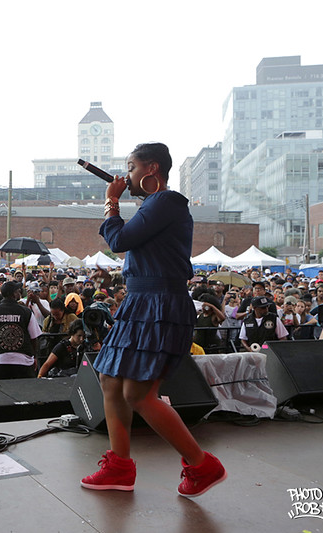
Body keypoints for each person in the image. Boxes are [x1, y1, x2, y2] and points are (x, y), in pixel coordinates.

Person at [80, 143, 226, 498]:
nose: (125, 175)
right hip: (141, 301)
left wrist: (111, 200)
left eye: (131, 167)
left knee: (140, 394)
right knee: (111, 381)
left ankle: (202, 465)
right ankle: (119, 467)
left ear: (151, 169)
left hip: (159, 303)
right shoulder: (154, 206)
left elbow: (118, 240)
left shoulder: (167, 202)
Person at [0, 281, 42, 379]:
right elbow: (34, 338)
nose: (19, 293)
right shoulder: (26, 312)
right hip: (23, 362)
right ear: (13, 294)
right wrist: (34, 357)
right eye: (18, 291)